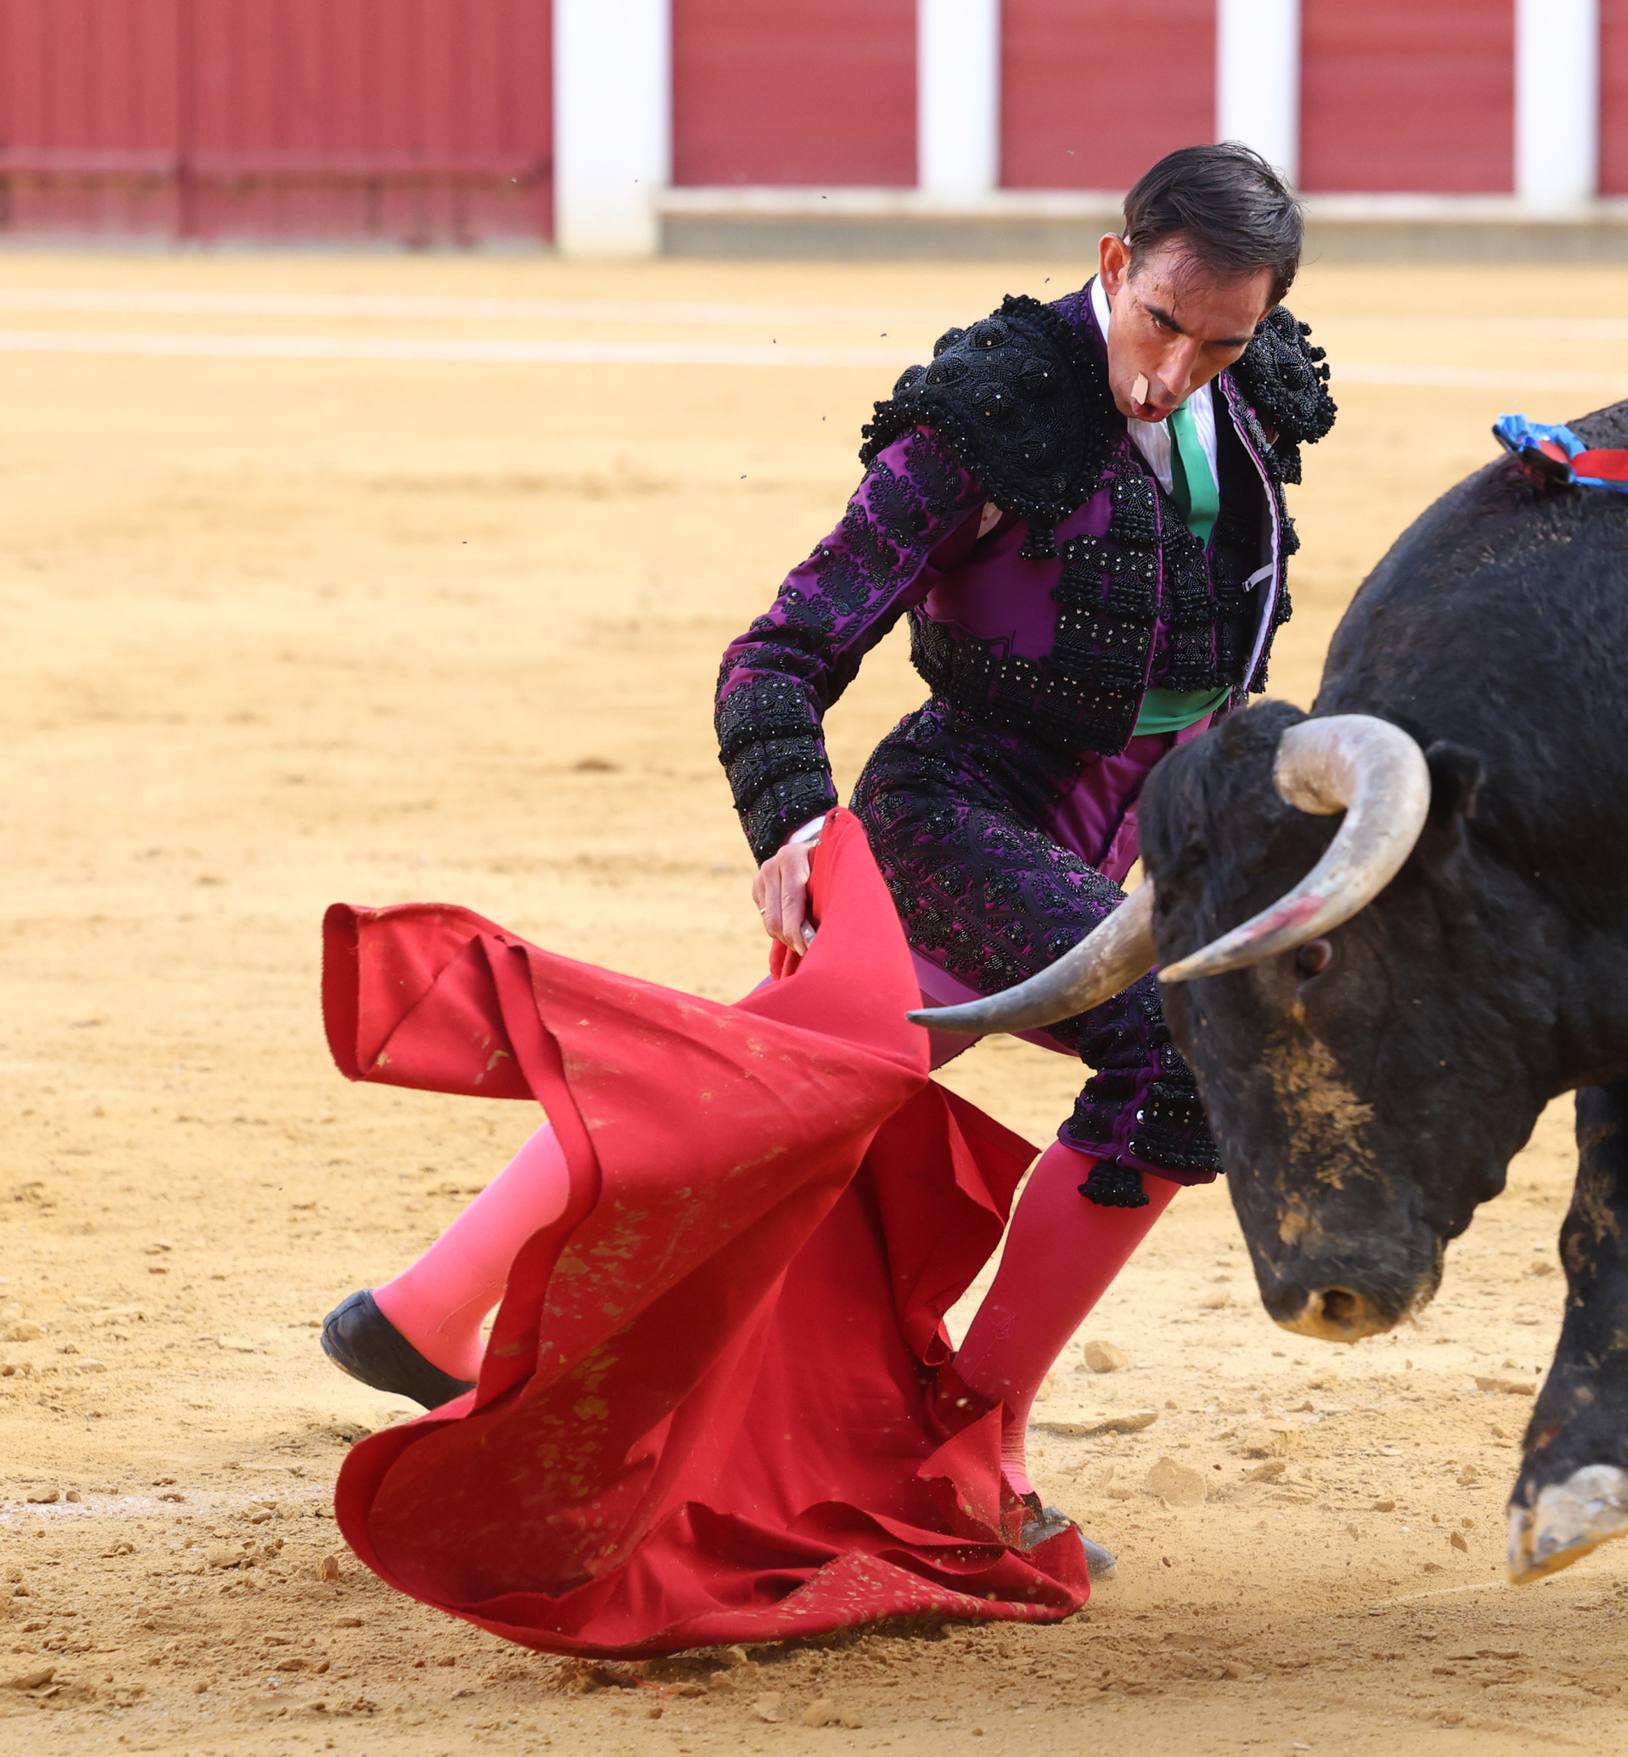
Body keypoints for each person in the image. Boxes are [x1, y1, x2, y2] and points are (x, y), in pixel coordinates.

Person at [319, 143, 1337, 1576]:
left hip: (1125, 819)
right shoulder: (986, 422)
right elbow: (777, 655)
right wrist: (792, 815)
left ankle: (420, 1312)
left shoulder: (1251, 400)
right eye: (1162, 323)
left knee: (767, 1095)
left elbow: (1210, 631)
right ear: (1114, 266)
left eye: (1223, 342)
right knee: (1181, 1060)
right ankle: (971, 1440)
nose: (1178, 370)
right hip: (957, 813)